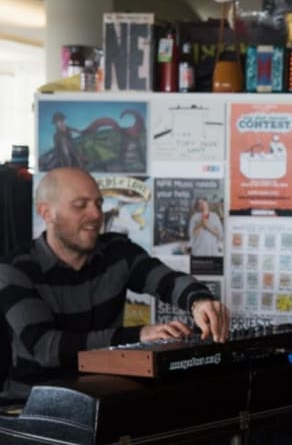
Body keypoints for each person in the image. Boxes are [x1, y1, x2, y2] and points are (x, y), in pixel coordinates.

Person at [0, 167, 230, 402]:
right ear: (46, 213)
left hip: (103, 396)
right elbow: (46, 348)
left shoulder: (117, 251)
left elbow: (166, 280)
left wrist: (199, 302)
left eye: (98, 204)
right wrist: (139, 336)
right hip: (33, 407)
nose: (96, 214)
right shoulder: (15, 269)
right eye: (81, 205)